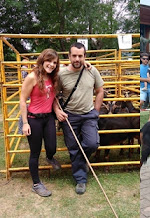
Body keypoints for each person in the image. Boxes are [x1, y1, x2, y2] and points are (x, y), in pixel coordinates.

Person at [53, 42, 104, 195]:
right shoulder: (61, 74)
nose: (77, 59)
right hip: (70, 116)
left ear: (85, 56)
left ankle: (82, 162)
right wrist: (56, 110)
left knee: (92, 143)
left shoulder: (92, 70)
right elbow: (54, 96)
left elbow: (100, 91)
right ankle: (80, 179)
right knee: (74, 149)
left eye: (80, 56)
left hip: (89, 114)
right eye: (74, 55)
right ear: (69, 56)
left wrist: (96, 111)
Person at [20, 49, 61, 197]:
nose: (51, 64)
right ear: (42, 60)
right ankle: (36, 184)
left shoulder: (53, 77)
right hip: (34, 119)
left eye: (54, 62)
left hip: (48, 117)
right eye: (49, 61)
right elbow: (23, 100)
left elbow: (53, 97)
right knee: (35, 153)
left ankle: (50, 157)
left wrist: (87, 64)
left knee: (52, 146)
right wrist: (25, 123)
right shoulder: (32, 77)